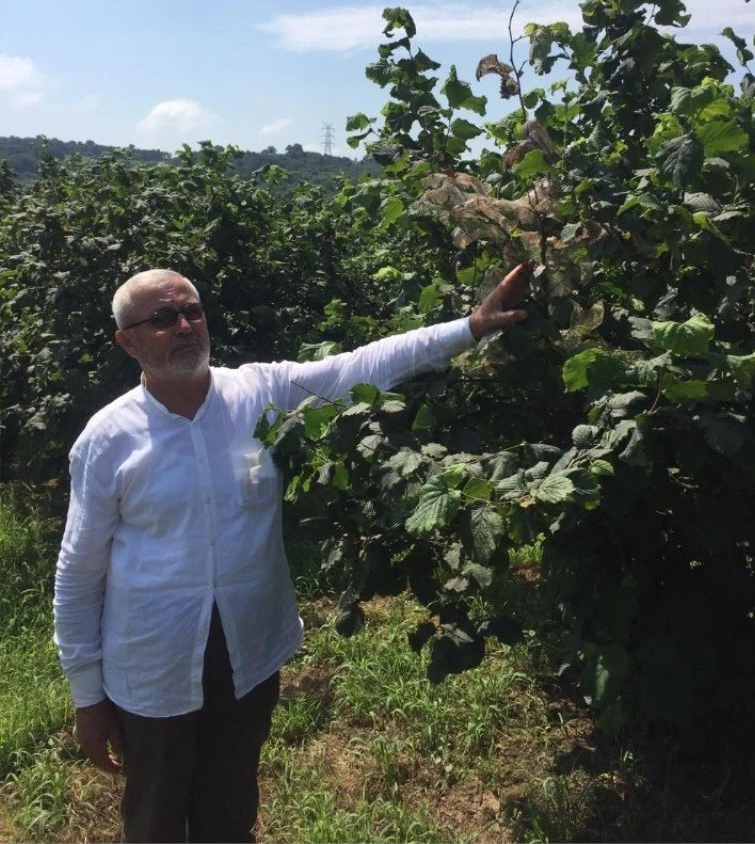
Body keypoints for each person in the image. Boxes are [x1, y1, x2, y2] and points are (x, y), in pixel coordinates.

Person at [53, 262, 533, 843]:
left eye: (193, 311)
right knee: (153, 815)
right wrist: (87, 697)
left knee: (230, 805)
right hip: (151, 661)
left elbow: (362, 365)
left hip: (247, 650)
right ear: (127, 341)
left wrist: (472, 326)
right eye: (163, 318)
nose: (185, 326)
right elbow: (78, 573)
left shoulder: (258, 392)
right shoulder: (107, 439)